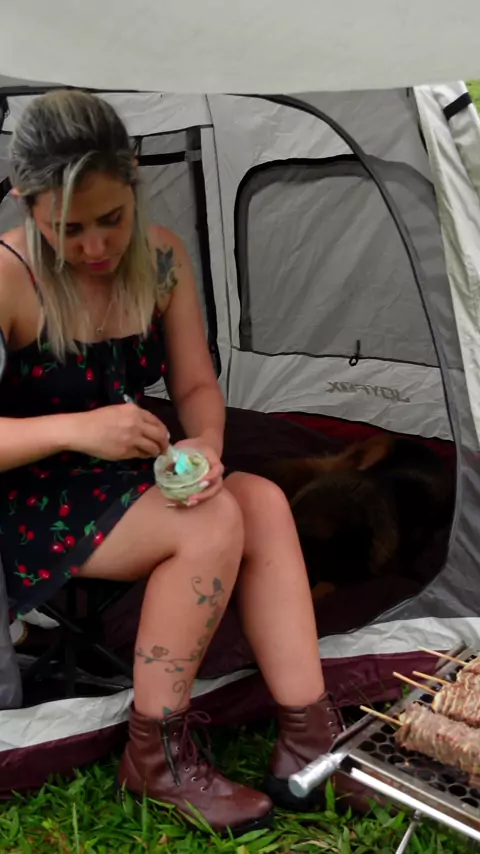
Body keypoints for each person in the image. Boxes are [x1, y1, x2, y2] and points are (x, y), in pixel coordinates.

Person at [0, 90, 371, 834]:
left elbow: (197, 385)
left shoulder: (162, 259)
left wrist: (205, 443)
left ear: (135, 178)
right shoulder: (9, 277)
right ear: (23, 201)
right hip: (25, 493)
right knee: (210, 525)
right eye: (68, 229)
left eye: (112, 218)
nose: (96, 247)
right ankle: (156, 757)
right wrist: (79, 429)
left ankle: (309, 741)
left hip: (113, 471)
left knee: (260, 498)